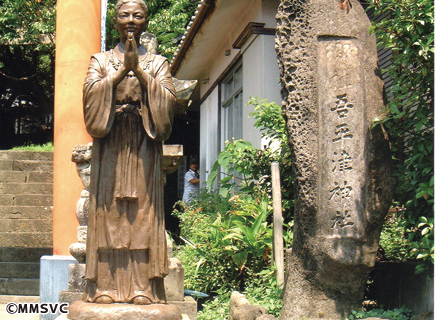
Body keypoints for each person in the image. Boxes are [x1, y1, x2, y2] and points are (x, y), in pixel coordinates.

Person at [82, 0, 176, 305]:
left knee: (141, 215)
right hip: (110, 145)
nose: (131, 20)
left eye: (138, 15)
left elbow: (167, 100)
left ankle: (142, 288)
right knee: (109, 213)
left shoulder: (158, 63)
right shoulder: (100, 60)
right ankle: (105, 287)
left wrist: (140, 71)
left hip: (144, 145)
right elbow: (91, 97)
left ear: (146, 20)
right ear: (116, 21)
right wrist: (123, 71)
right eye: (125, 15)